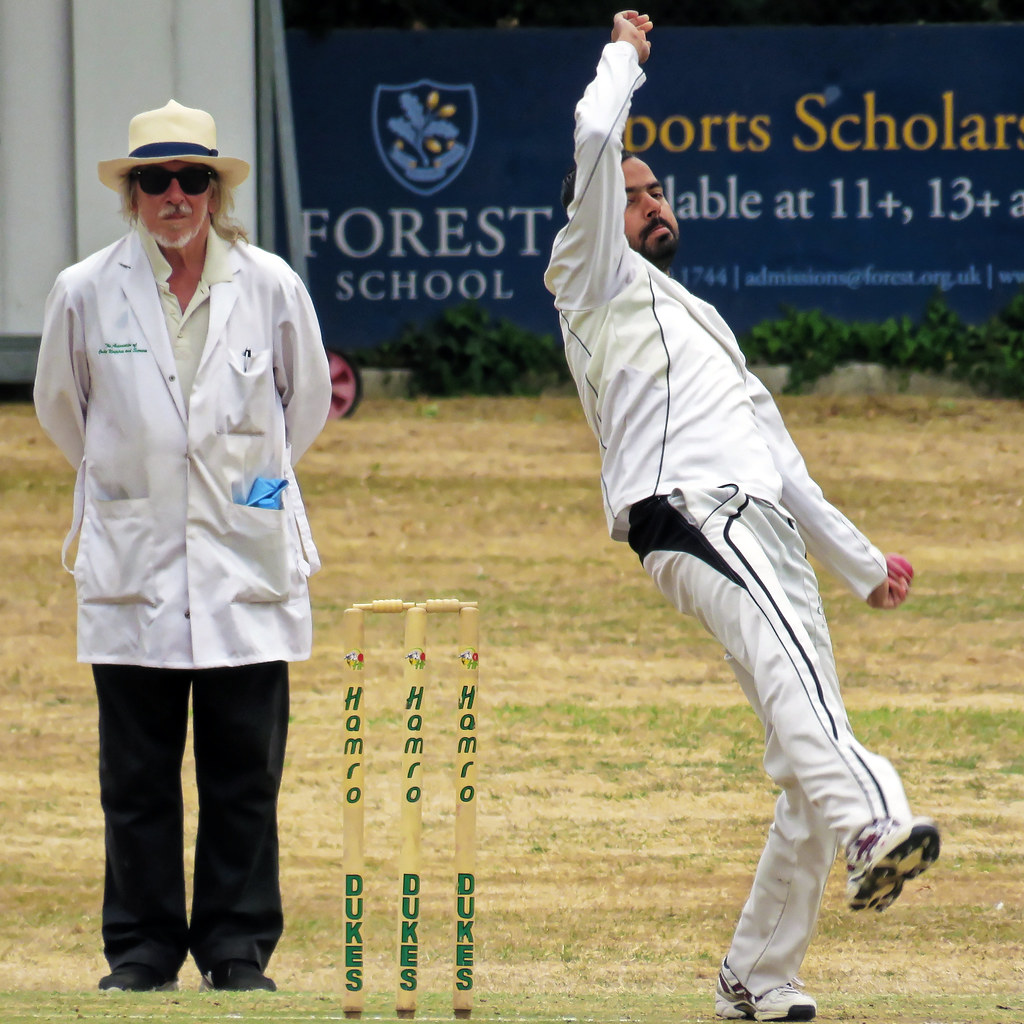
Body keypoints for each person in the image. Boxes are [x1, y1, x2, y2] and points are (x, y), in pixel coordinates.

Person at [545, 12, 940, 1022]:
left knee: (799, 724)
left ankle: (755, 975)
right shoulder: (585, 276)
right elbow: (596, 139)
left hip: (753, 513)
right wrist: (625, 56)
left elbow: (778, 452)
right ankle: (874, 822)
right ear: (596, 214)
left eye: (656, 191)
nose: (649, 202)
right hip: (685, 507)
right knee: (801, 695)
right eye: (631, 198)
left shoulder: (701, 317)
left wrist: (859, 564)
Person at [35, 99, 331, 994]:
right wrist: (136, 483)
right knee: (136, 775)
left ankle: (237, 951)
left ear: (215, 189)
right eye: (155, 180)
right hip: (134, 556)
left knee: (245, 769)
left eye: (192, 178)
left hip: (247, 557)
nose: (175, 195)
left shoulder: (271, 283)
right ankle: (142, 950)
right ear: (131, 194)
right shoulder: (85, 290)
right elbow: (62, 410)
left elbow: (302, 407)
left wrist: (248, 491)